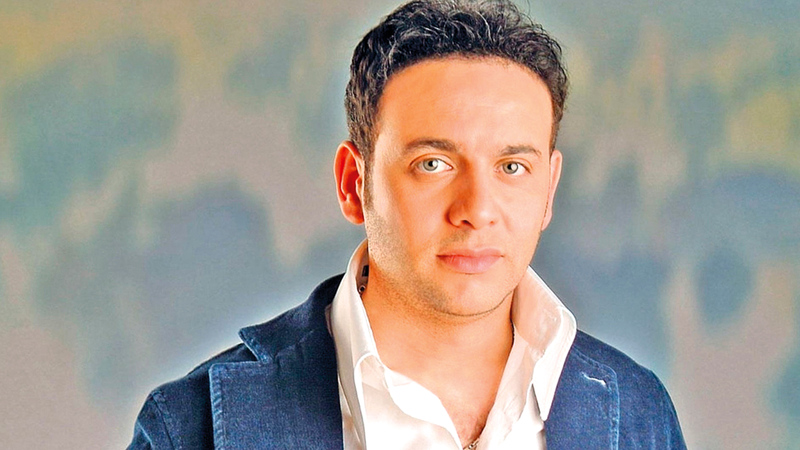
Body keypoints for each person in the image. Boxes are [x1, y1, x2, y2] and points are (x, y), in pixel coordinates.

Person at [129, 1, 686, 448]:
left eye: (512, 167)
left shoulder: (639, 414)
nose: (477, 209)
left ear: (549, 190)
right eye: (433, 164)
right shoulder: (190, 429)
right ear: (354, 183)